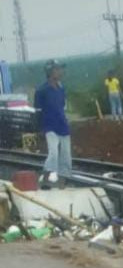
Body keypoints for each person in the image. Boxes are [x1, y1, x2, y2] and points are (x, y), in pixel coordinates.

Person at [34, 59, 71, 188]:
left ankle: (63, 181)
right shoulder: (41, 90)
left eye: (60, 69)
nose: (60, 71)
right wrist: (39, 129)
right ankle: (45, 177)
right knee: (54, 152)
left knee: (66, 154)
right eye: (57, 69)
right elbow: (38, 111)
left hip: (62, 124)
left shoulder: (62, 88)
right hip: (49, 125)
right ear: (50, 72)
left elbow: (62, 106)